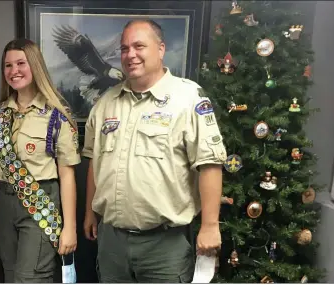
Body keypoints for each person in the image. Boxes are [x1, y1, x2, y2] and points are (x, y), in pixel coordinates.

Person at [81, 20, 227, 283]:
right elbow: (95, 162)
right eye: (124, 48)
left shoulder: (189, 98)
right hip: (112, 241)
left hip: (164, 245)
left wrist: (210, 225)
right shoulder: (105, 104)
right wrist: (91, 212)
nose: (130, 55)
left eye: (139, 46)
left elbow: (209, 164)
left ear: (160, 49)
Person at [0, 38, 80, 283]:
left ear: (35, 66)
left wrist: (70, 228)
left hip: (40, 201)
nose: (14, 71)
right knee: (11, 275)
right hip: (3, 203)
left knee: (31, 278)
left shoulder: (57, 115)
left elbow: (67, 175)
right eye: (8, 65)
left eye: (21, 63)